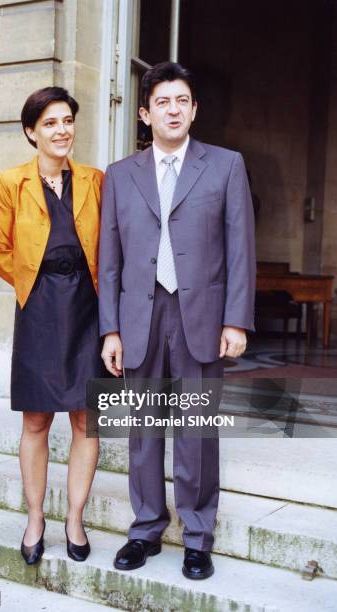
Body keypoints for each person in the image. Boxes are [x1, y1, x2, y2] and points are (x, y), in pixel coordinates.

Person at [98, 62, 255, 579]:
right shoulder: (120, 176)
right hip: (140, 313)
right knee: (143, 430)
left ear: (194, 109)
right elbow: (111, 259)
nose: (173, 109)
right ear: (145, 113)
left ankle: (197, 536)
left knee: (196, 430)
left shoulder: (226, 166)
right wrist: (111, 329)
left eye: (182, 101)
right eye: (162, 102)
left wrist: (235, 320)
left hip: (202, 317)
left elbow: (240, 250)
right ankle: (145, 529)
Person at [0, 86, 104, 565]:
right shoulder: (10, 181)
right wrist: (30, 281)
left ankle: (75, 519)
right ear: (31, 132)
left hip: (88, 307)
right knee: (36, 419)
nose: (61, 130)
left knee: (86, 419)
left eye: (67, 121)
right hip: (36, 305)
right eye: (50, 123)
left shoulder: (96, 180)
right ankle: (35, 518)